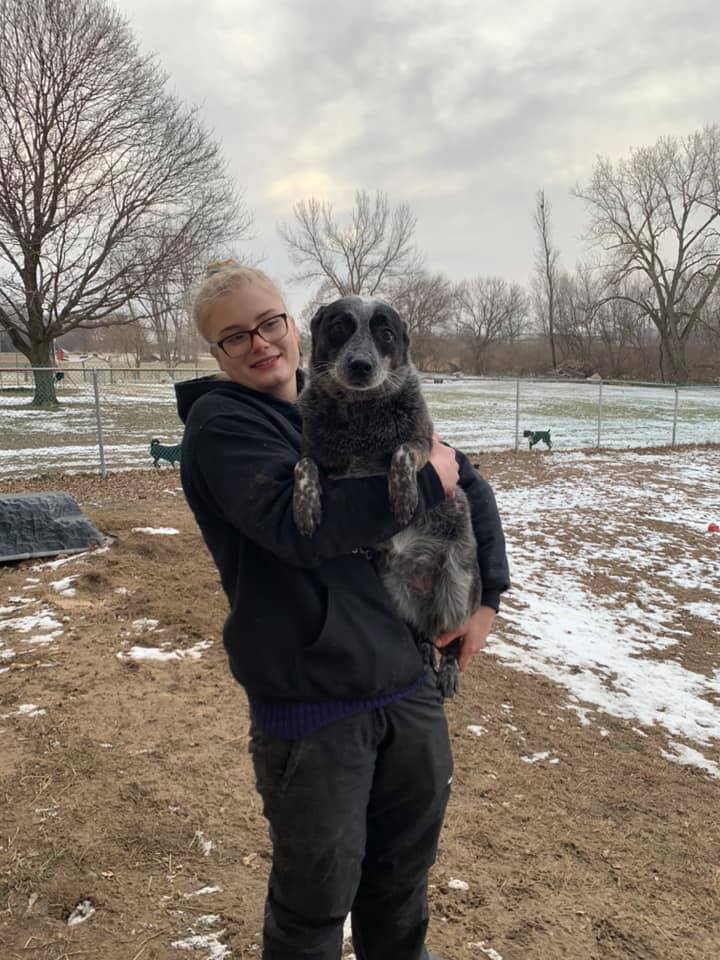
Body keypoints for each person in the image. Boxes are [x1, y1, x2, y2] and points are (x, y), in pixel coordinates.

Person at [175, 261, 510, 960]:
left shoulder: (345, 401)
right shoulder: (224, 425)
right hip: (315, 706)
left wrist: (489, 599)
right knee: (315, 908)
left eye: (269, 323)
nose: (260, 343)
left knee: (400, 888)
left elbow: (463, 478)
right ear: (216, 352)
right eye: (234, 336)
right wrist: (425, 480)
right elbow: (301, 529)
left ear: (295, 325)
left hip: (407, 684)